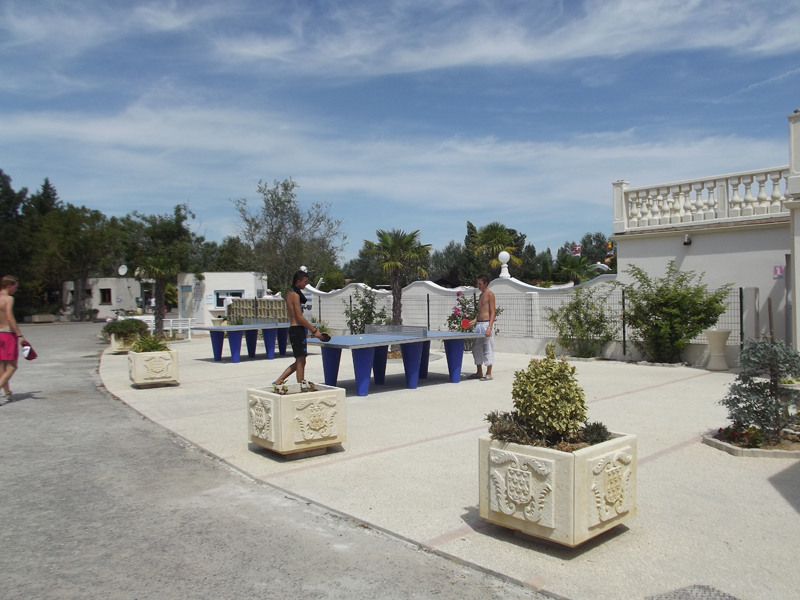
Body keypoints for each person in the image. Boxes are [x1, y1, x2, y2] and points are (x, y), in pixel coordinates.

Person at [274, 270, 324, 385]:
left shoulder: (289, 293)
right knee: (300, 361)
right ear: (298, 281)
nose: (306, 284)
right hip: (297, 330)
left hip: (296, 330)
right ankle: (300, 384)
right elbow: (299, 317)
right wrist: (314, 330)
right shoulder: (295, 295)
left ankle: (280, 382)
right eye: (305, 282)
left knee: (301, 360)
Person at [0, 276, 25, 402]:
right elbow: (10, 317)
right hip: (7, 334)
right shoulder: (8, 299)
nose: (16, 289)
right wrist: (19, 335)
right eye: (16, 287)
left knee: (2, 366)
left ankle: (8, 393)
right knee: (12, 367)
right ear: (9, 286)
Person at [468, 274, 496, 381]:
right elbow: (481, 311)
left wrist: (489, 327)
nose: (478, 285)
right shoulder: (480, 295)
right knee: (476, 347)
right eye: (478, 283)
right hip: (479, 324)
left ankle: (488, 373)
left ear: (486, 283)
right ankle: (479, 372)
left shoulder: (490, 295)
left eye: (480, 284)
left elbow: (493, 312)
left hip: (486, 324)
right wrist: (475, 320)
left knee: (487, 348)